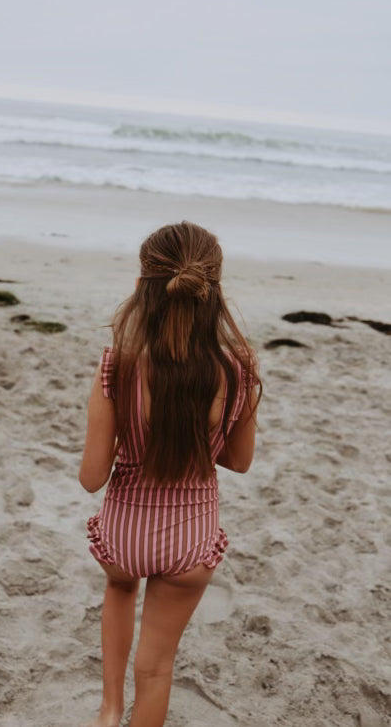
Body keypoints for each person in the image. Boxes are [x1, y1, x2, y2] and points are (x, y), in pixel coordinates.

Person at [79, 221, 261, 727]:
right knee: (156, 670)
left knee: (119, 588)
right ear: (214, 289)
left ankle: (110, 709)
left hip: (124, 534)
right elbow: (240, 462)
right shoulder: (239, 368)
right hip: (190, 541)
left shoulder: (118, 365)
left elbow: (92, 477)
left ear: (143, 287)